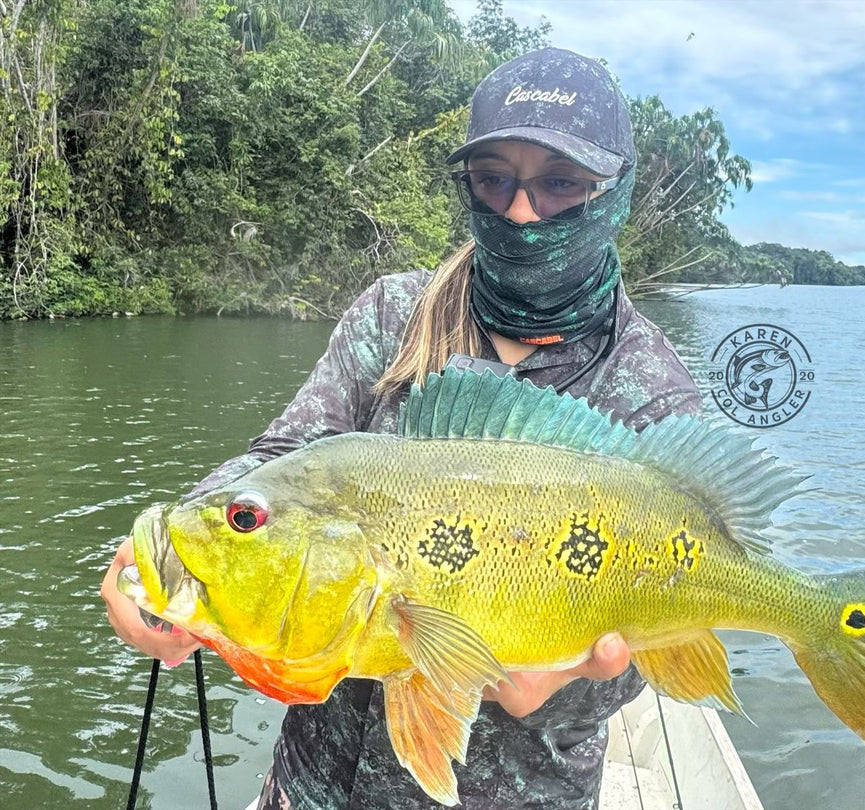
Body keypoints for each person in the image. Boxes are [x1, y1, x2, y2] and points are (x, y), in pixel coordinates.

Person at [101, 47, 702, 809]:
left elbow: (674, 633)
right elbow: (287, 458)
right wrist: (182, 548)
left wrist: (570, 683)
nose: (520, 211)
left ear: (615, 192)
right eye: (494, 179)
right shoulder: (392, 313)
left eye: (560, 183)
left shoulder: (651, 388)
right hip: (317, 782)